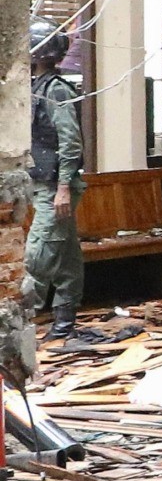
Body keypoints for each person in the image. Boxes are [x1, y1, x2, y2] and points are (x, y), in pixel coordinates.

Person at [26, 17, 85, 340]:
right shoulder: (36, 87)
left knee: (37, 257)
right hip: (43, 184)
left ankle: (12, 330)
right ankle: (64, 326)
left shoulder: (56, 90)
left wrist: (62, 188)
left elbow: (70, 141)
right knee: (66, 260)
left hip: (56, 188)